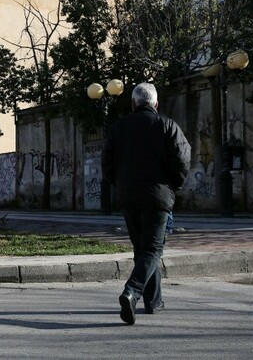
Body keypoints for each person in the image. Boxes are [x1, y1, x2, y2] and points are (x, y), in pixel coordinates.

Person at [101, 82, 191, 325]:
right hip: (157, 197)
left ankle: (154, 302)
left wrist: (120, 184)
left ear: (133, 104)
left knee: (142, 250)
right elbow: (183, 160)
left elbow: (107, 164)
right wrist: (172, 186)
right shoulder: (167, 126)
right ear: (156, 104)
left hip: (129, 197)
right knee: (152, 249)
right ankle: (132, 292)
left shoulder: (119, 128)